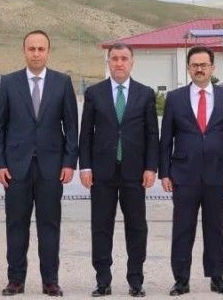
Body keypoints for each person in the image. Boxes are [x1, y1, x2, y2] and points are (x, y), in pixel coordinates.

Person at [0, 30, 79, 297]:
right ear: (24, 51)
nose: (36, 53)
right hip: (15, 168)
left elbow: (71, 126)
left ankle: (50, 281)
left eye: (41, 49)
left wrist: (69, 162)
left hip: (51, 168)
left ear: (48, 51)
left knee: (49, 225)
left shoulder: (62, 82)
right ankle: (15, 280)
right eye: (32, 49)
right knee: (16, 225)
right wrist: (0, 164)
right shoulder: (9, 83)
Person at [159, 46, 223, 297]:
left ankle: (217, 277)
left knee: (215, 228)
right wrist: (165, 173)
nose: (199, 69)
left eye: (204, 65)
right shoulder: (175, 98)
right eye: (194, 65)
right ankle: (181, 280)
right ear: (188, 68)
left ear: (212, 68)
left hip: (217, 174)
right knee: (182, 229)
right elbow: (166, 140)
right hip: (183, 175)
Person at [79, 43, 159, 298]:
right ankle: (103, 280)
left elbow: (152, 134)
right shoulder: (94, 93)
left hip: (135, 173)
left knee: (137, 227)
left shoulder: (145, 94)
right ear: (108, 62)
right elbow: (86, 134)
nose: (119, 63)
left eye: (124, 58)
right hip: (102, 173)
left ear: (132, 62)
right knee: (101, 227)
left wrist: (151, 167)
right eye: (114, 58)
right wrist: (85, 166)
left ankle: (136, 280)